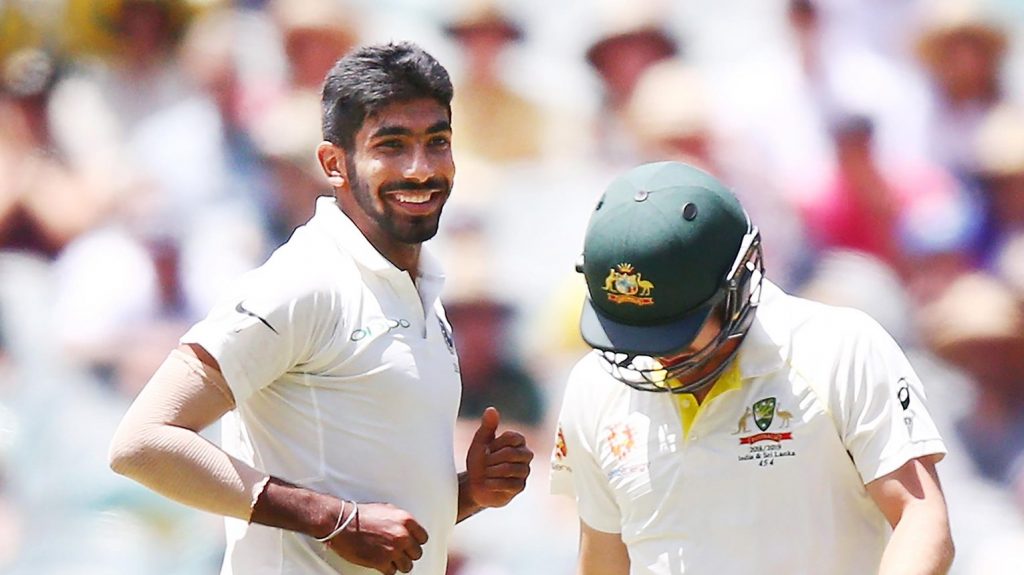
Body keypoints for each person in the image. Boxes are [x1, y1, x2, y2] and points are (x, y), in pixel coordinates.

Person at [108, 42, 534, 575]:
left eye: (437, 143)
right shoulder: (305, 280)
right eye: (392, 146)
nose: (421, 169)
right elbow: (142, 441)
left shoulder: (419, 286)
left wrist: (470, 492)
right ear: (335, 164)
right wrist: (332, 519)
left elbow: (380, 525)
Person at [550, 161, 954, 574]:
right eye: (635, 334)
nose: (655, 356)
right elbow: (602, 560)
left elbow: (920, 517)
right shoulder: (593, 387)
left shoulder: (839, 350)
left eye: (675, 332)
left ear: (738, 284)